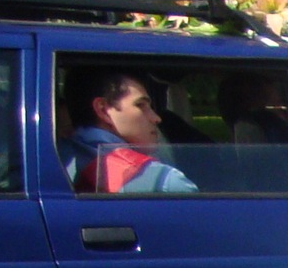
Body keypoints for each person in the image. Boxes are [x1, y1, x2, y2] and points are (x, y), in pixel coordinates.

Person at [65, 71, 196, 194]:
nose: (156, 118)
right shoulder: (164, 182)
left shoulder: (62, 157)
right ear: (103, 110)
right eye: (140, 105)